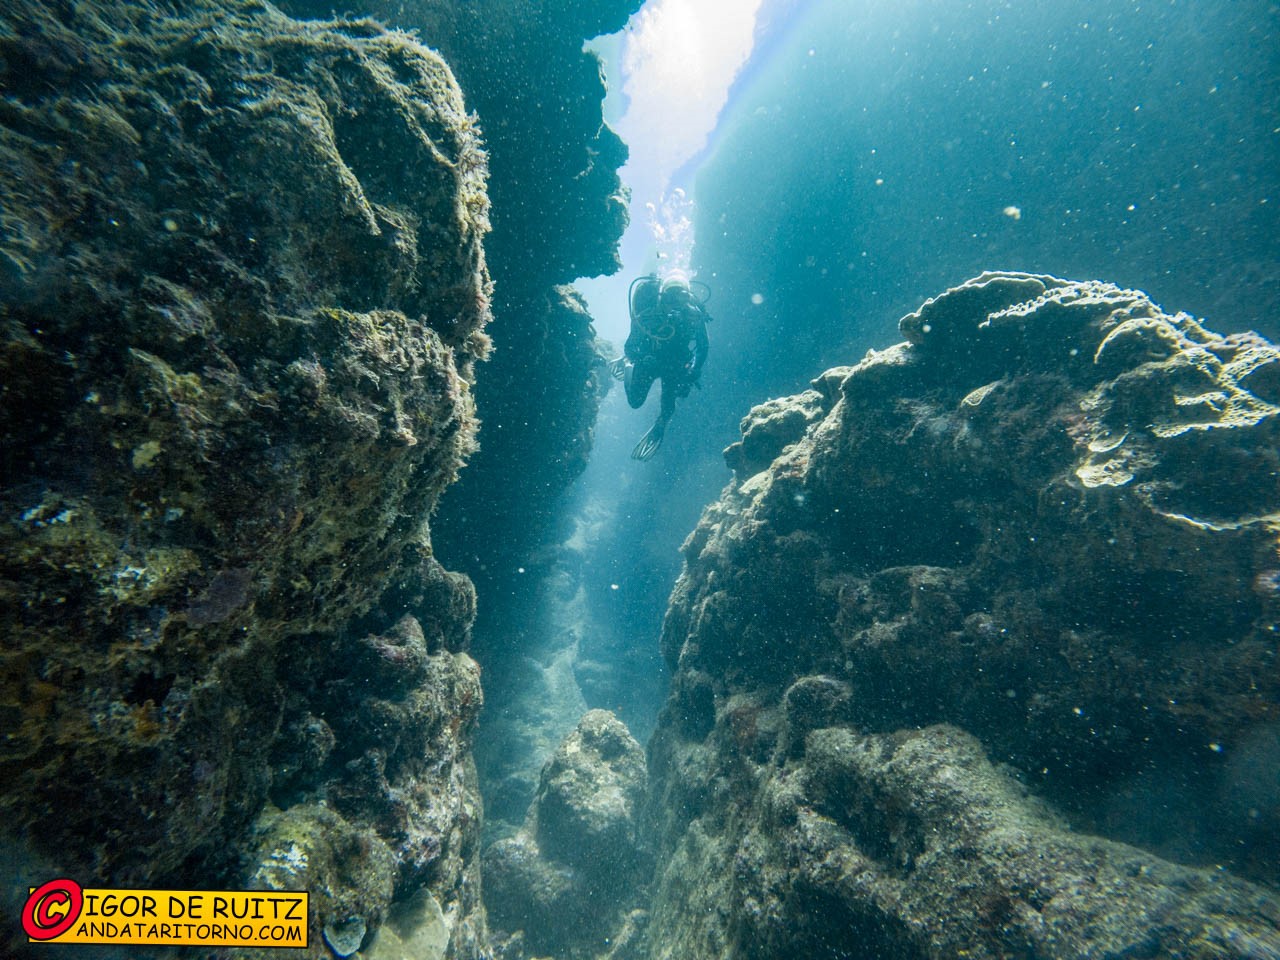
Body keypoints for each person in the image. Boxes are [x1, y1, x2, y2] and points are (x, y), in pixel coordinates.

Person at [609, 273, 711, 460]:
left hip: (676, 365)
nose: (675, 303)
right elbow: (630, 347)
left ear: (688, 297)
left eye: (680, 297)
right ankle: (627, 367)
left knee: (668, 410)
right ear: (662, 296)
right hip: (650, 362)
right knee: (635, 402)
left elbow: (703, 347)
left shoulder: (693, 315)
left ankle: (659, 428)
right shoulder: (650, 313)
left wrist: (694, 369)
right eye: (671, 297)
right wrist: (640, 358)